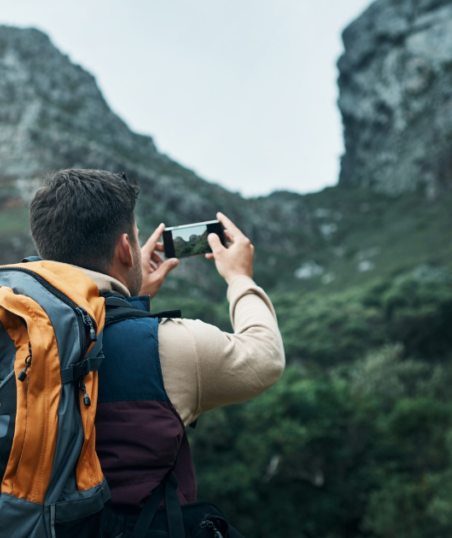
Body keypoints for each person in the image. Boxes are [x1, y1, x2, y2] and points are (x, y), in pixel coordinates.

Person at [28, 168, 285, 513]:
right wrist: (239, 278)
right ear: (125, 249)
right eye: (134, 236)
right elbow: (265, 358)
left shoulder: (0, 333)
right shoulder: (168, 347)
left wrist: (131, 292)